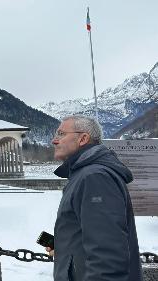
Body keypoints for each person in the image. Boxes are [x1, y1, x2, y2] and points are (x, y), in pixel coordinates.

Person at [48, 115, 142, 281]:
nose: (54, 141)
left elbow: (107, 256)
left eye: (61, 134)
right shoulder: (83, 174)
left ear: (83, 138)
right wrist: (65, 247)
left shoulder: (95, 177)